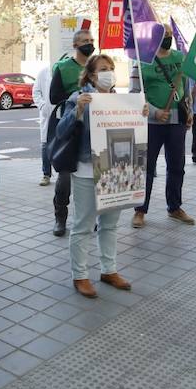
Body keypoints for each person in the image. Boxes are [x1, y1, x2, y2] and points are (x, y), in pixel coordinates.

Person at [57, 54, 133, 297]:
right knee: (83, 225)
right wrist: (78, 109)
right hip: (87, 170)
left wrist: (140, 114)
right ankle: (80, 276)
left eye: (111, 68)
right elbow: (61, 131)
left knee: (110, 224)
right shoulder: (79, 98)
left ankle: (108, 270)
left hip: (113, 170)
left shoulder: (119, 100)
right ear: (91, 75)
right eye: (103, 68)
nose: (109, 72)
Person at [132, 32, 195, 228]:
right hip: (151, 124)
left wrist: (189, 111)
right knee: (146, 168)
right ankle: (140, 211)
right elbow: (135, 94)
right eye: (164, 34)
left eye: (169, 33)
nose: (167, 37)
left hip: (177, 122)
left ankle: (175, 208)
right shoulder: (141, 61)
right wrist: (154, 112)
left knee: (177, 166)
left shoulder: (180, 58)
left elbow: (185, 87)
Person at [49, 28, 96, 236]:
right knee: (65, 176)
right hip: (71, 125)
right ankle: (60, 217)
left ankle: (88, 216)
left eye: (92, 40)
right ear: (75, 46)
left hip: (93, 128)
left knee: (91, 176)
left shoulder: (98, 67)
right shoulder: (63, 67)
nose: (90, 43)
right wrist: (76, 98)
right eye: (85, 41)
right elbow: (53, 96)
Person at [33, 61, 55, 186]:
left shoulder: (64, 71)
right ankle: (46, 174)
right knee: (46, 145)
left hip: (62, 112)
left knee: (64, 143)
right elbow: (36, 91)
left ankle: (65, 174)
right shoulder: (44, 72)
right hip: (47, 113)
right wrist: (42, 105)